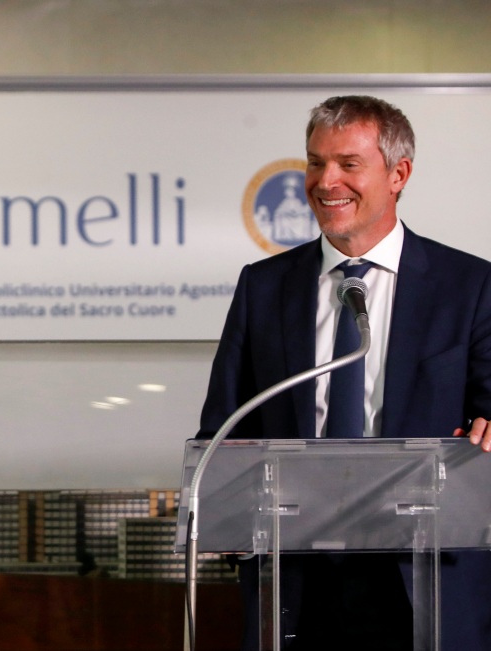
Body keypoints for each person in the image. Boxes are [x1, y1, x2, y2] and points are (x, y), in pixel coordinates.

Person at [197, 95, 491, 650]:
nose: (325, 180)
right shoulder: (263, 287)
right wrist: (219, 509)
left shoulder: (470, 286)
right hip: (297, 587)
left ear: (398, 173)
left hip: (426, 582)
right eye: (315, 162)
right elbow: (223, 429)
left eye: (348, 164)